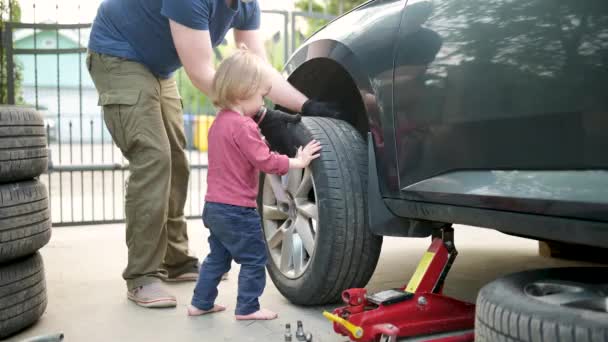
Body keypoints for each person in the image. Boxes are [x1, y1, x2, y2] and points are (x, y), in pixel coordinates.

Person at [86, 0, 338, 308]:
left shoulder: (246, 5)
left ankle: (175, 260)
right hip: (118, 52)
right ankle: (142, 276)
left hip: (159, 68)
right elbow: (202, 72)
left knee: (177, 162)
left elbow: (257, 70)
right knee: (155, 158)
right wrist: (259, 115)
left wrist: (306, 105)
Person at [188, 47, 321, 320]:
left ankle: (200, 303)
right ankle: (248, 308)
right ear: (242, 91)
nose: (262, 104)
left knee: (218, 258)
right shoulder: (244, 126)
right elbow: (266, 161)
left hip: (214, 207)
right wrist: (298, 162)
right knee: (254, 258)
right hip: (238, 210)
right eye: (261, 95)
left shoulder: (219, 124)